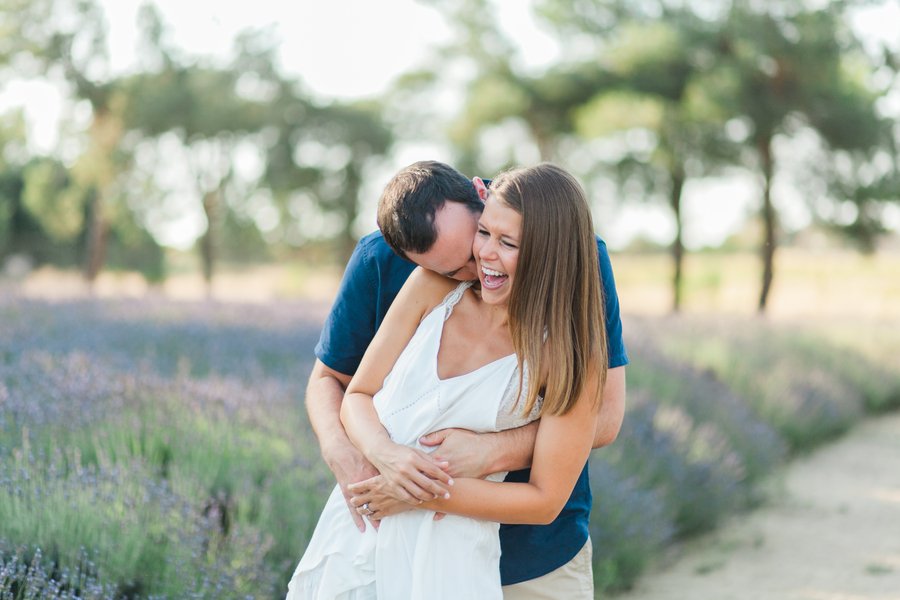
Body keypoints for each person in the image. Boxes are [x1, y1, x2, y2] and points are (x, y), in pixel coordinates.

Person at [292, 162, 628, 599]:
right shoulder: (409, 271)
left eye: (496, 241)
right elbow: (339, 383)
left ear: (480, 195)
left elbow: (601, 420)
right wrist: (364, 458)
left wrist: (453, 471)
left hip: (524, 554)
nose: (478, 265)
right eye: (452, 268)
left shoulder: (575, 271)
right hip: (369, 532)